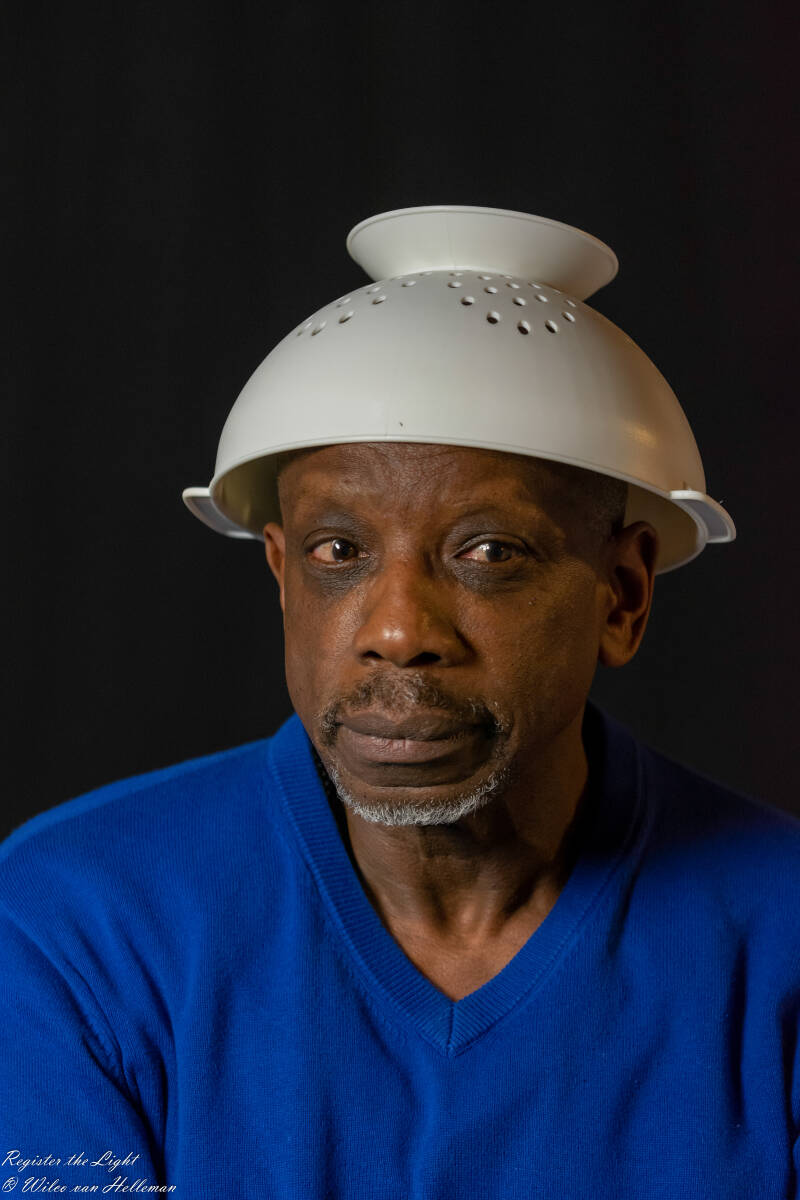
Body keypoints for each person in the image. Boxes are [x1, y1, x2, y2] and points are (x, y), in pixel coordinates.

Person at [2, 206, 798, 1197]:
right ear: (283, 575)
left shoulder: (779, 933)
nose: (395, 630)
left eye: (488, 553)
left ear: (621, 596)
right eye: (339, 551)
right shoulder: (76, 923)